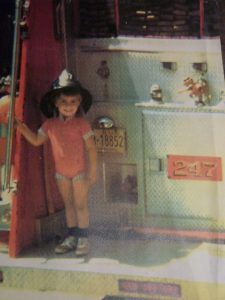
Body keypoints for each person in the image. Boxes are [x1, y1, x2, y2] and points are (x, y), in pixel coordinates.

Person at [16, 70, 97, 256]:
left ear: (79, 103)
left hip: (79, 173)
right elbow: (37, 140)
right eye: (64, 102)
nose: (68, 106)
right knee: (68, 204)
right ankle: (72, 236)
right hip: (61, 173)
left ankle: (84, 238)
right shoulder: (49, 125)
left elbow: (92, 149)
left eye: (73, 102)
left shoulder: (82, 124)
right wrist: (22, 128)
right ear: (56, 103)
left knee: (81, 205)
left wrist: (93, 172)